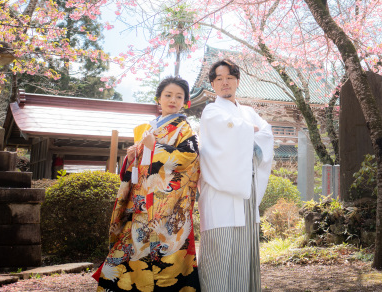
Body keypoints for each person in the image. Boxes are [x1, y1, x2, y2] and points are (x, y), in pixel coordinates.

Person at [94, 76, 201, 292]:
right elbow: (139, 169)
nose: (173, 100)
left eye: (179, 97)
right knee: (123, 255)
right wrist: (131, 158)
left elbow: (189, 157)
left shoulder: (185, 129)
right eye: (168, 95)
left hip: (167, 208)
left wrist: (156, 149)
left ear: (185, 102)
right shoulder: (147, 128)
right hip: (141, 203)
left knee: (166, 262)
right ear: (158, 99)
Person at [198, 59, 274, 292]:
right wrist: (246, 131)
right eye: (218, 79)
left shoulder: (249, 112)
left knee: (244, 249)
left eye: (229, 77)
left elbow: (266, 134)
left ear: (237, 81)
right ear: (212, 84)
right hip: (219, 190)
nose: (224, 83)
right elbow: (232, 133)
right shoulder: (211, 110)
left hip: (246, 186)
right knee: (218, 252)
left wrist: (243, 132)